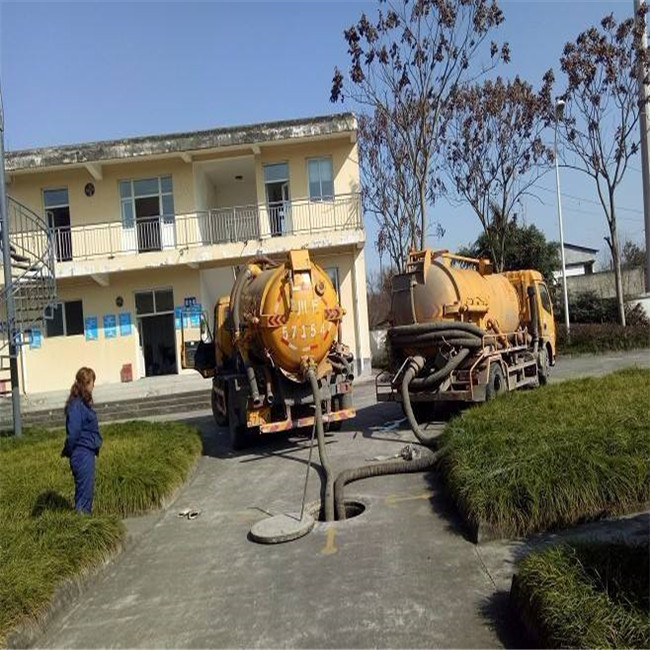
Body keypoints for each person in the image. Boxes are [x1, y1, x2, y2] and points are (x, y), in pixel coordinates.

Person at [61, 367, 102, 514]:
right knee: (84, 496)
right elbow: (73, 433)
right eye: (92, 382)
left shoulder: (82, 403)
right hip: (82, 452)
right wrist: (71, 451)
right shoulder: (77, 405)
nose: (93, 386)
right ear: (86, 383)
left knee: (86, 493)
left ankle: (84, 524)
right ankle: (82, 528)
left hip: (86, 452)